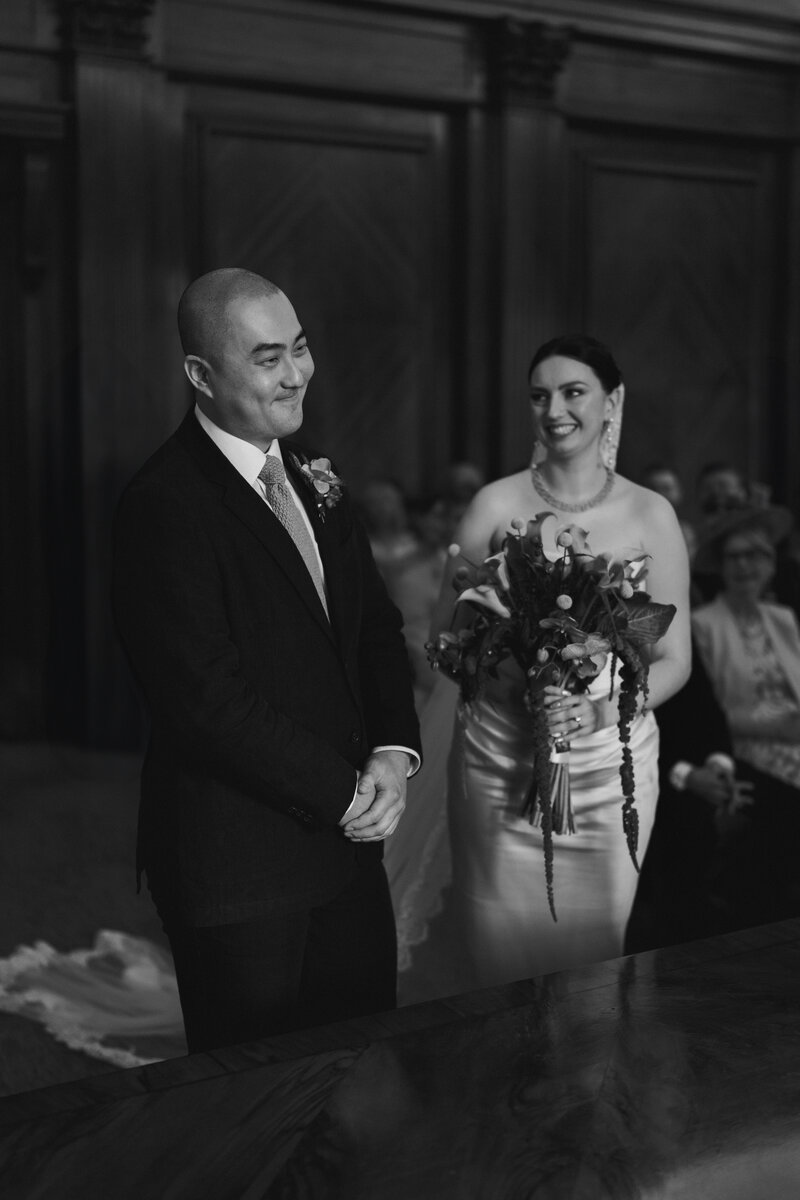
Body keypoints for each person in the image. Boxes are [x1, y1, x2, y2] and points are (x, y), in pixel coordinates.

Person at [112, 268, 421, 1053]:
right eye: (269, 357)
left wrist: (391, 752)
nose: (296, 375)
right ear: (200, 376)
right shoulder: (164, 504)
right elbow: (205, 702)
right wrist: (344, 794)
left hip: (347, 854)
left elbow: (375, 630)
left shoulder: (314, 472)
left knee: (362, 1080)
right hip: (237, 867)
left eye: (303, 348)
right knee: (253, 1113)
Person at [388, 334, 690, 995]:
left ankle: (582, 1094)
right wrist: (511, 674)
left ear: (611, 403)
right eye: (539, 395)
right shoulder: (494, 507)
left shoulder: (650, 515)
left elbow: (673, 659)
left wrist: (597, 709)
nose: (554, 409)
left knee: (594, 964)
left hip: (610, 769)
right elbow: (446, 641)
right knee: (499, 967)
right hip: (499, 756)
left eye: (573, 392)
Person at [691, 504, 800, 927]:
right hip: (740, 748)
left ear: (770, 563)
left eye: (753, 555)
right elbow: (706, 720)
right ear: (720, 565)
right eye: (733, 557)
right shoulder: (704, 624)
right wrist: (775, 727)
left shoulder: (784, 619)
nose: (743, 566)